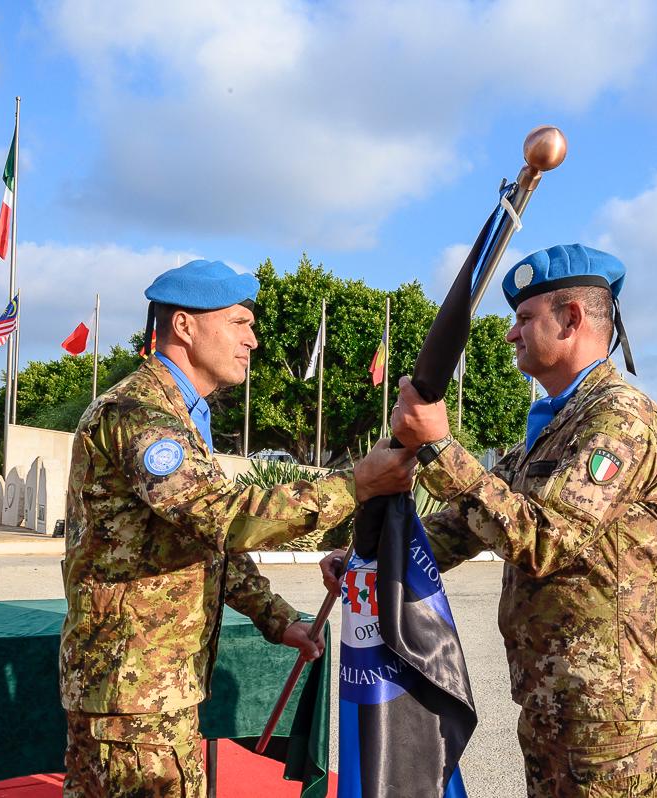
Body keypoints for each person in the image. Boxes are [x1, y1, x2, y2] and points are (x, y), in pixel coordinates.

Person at [324, 244, 657, 797]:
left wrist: (441, 448)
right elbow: (468, 525)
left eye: (523, 319)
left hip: (610, 712)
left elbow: (544, 538)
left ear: (571, 318)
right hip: (556, 700)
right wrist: (365, 564)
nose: (511, 334)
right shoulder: (557, 423)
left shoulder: (620, 419)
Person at [61, 259, 415, 798]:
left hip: (150, 683)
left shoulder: (178, 412)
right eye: (239, 322)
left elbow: (204, 542)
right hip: (133, 688)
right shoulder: (138, 411)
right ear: (184, 325)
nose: (253, 339)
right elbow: (224, 515)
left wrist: (276, 619)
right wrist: (354, 486)